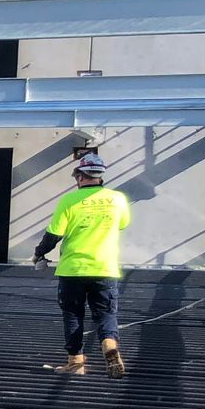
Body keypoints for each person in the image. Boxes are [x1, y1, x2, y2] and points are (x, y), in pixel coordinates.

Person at [33, 151, 132, 378]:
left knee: (73, 314)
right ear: (101, 176)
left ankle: (76, 362)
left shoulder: (69, 200)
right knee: (106, 314)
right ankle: (108, 343)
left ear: (79, 176)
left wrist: (39, 253)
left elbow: (54, 234)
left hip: (73, 269)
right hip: (105, 268)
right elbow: (123, 224)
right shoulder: (117, 199)